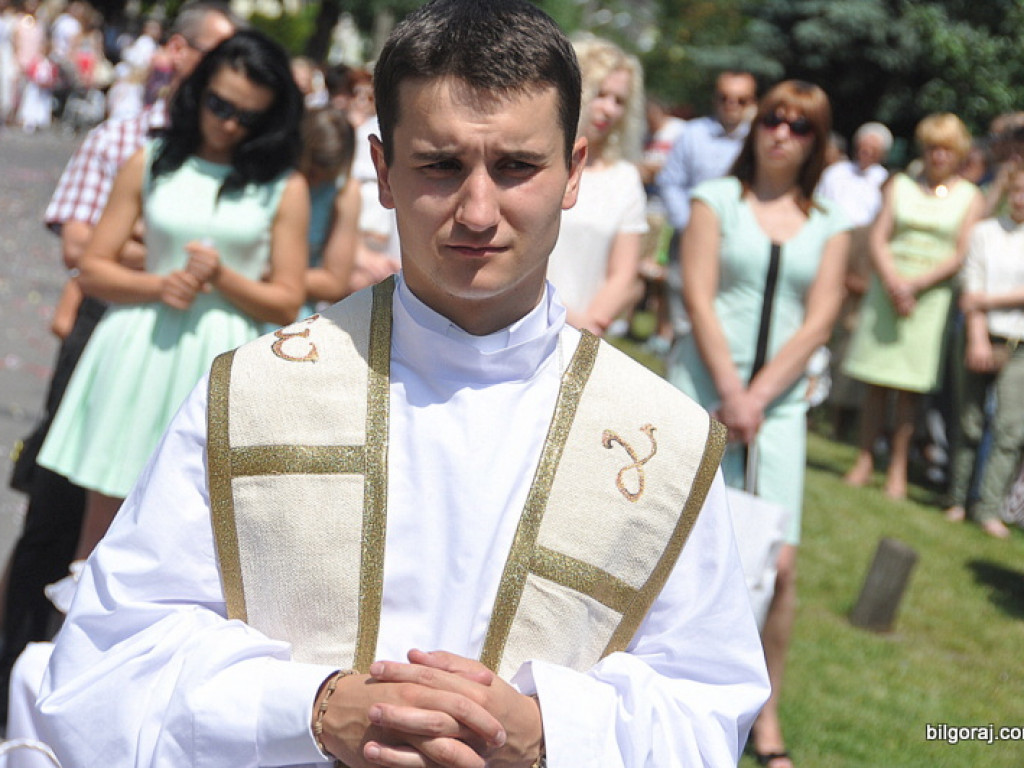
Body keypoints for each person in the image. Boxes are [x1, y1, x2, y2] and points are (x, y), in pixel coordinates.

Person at [36, 2, 770, 766]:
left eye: (516, 167)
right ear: (383, 171)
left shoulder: (665, 444)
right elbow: (105, 666)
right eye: (440, 165)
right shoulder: (250, 397)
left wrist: (549, 733)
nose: (478, 211)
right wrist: (310, 710)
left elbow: (705, 704)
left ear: (574, 172)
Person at [0, 0, 239, 728]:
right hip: (110, 334)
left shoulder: (247, 148)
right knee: (57, 517)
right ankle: (15, 671)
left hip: (192, 344)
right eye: (217, 58)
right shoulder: (130, 134)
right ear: (177, 52)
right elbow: (80, 246)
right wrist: (180, 261)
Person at [36, 28, 308, 560]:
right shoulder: (152, 159)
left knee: (200, 538)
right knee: (102, 532)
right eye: (219, 105)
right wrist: (162, 284)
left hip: (227, 363)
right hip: (141, 346)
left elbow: (286, 300)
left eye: (248, 116)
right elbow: (92, 267)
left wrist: (220, 278)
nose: (229, 124)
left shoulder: (283, 185)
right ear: (198, 91)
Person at [668, 80, 851, 768]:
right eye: (773, 118)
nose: (781, 132)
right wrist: (730, 390)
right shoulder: (714, 200)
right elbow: (698, 292)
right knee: (677, 543)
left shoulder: (832, 223)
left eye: (800, 125)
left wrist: (761, 394)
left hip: (778, 412)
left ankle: (764, 716)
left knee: (779, 565)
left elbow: (821, 316)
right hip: (701, 392)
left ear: (816, 140)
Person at [843, 113, 984, 499]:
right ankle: (863, 458)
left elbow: (960, 253)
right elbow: (879, 236)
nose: (939, 156)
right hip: (888, 290)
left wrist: (916, 285)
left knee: (910, 390)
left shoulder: (970, 197)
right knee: (875, 381)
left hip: (930, 297)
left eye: (947, 149)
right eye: (932, 148)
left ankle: (899, 468)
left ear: (958, 154)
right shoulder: (900, 185)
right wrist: (893, 281)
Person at [545, 36, 647, 336]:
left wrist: (588, 326)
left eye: (619, 101)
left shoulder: (624, 178)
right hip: (517, 322)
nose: (609, 109)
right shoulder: (533, 165)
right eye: (600, 94)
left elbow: (624, 273)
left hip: (585, 334)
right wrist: (564, 316)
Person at [943, 163, 1024, 539]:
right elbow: (968, 290)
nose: (1021, 199)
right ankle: (957, 499)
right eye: (1017, 190)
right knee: (969, 421)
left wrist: (988, 299)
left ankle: (988, 506)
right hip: (981, 334)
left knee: (1010, 429)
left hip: (1018, 343)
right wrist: (977, 337)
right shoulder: (984, 233)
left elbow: (982, 296)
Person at [656, 70, 757, 340]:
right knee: (684, 321)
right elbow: (670, 182)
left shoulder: (757, 141)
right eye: (725, 98)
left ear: (752, 102)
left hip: (737, 244)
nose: (731, 105)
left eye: (741, 100)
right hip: (689, 240)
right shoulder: (693, 133)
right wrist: (690, 226)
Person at [817, 122, 893, 438]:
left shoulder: (885, 182)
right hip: (831, 245)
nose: (866, 152)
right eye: (863, 145)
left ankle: (840, 416)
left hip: (863, 256)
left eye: (873, 148)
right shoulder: (834, 174)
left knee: (849, 338)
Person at [298, 106, 361, 316]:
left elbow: (335, 282)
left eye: (325, 175)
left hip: (293, 318)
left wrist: (275, 274)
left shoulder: (343, 192)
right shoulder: (274, 178)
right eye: (311, 170)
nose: (315, 181)